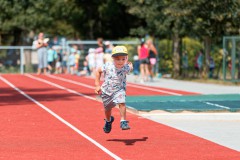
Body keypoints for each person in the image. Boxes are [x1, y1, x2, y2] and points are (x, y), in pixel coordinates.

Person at [95, 46, 133, 133]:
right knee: (107, 109)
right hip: (107, 91)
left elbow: (130, 67)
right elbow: (98, 71)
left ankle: (123, 121)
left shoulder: (126, 67)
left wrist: (130, 65)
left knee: (122, 103)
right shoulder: (107, 66)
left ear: (126, 59)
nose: (120, 61)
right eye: (118, 59)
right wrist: (97, 85)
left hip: (119, 90)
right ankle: (108, 121)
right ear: (113, 58)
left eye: (123, 59)